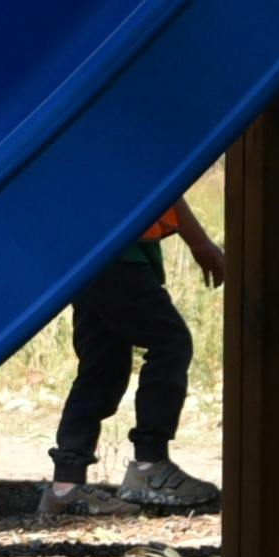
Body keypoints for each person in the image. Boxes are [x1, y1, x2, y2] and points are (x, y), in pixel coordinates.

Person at [43, 198, 228, 518]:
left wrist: (199, 242)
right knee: (170, 342)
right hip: (113, 252)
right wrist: (199, 242)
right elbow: (162, 177)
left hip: (88, 249)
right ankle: (150, 464)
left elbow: (165, 184)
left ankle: (65, 487)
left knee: (103, 367)